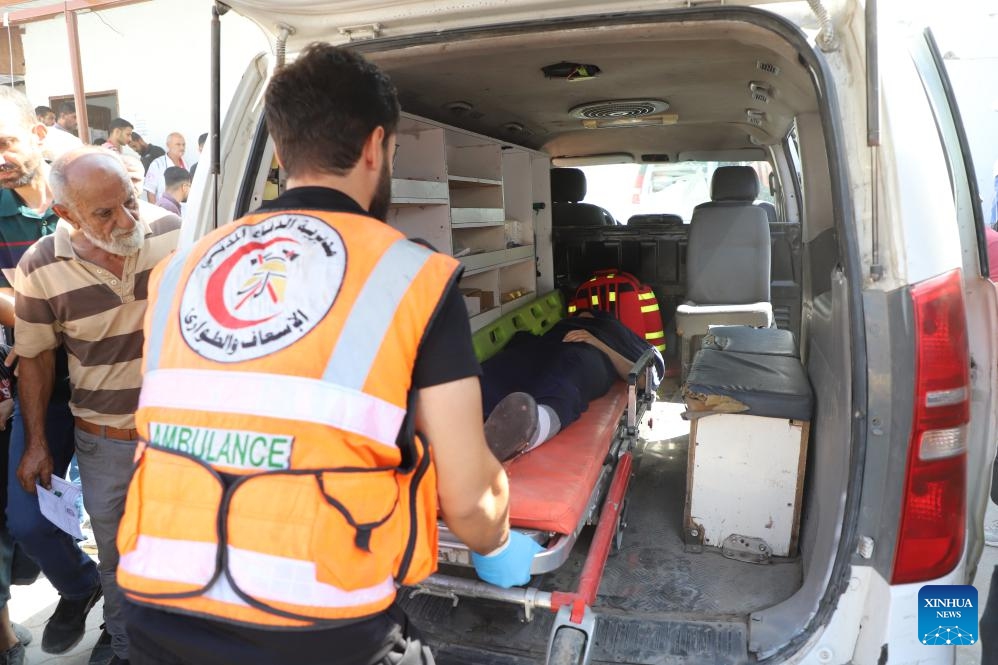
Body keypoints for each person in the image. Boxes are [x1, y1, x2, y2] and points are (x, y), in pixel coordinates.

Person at [117, 43, 538, 665]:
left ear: (281, 153)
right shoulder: (411, 275)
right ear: (377, 147)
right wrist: (498, 543)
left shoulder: (181, 270)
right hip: (320, 622)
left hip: (157, 606)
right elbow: (471, 504)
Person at [14, 146, 181, 665]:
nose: (127, 219)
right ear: (65, 214)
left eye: (129, 201)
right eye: (105, 213)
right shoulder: (39, 267)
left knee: (187, 550)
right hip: (105, 441)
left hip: (182, 437)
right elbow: (37, 358)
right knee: (118, 557)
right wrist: (38, 442)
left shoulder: (173, 232)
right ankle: (130, 650)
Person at [0, 87, 103, 665]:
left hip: (119, 382)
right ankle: (79, 584)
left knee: (125, 521)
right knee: (27, 519)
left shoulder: (92, 184)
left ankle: (123, 623)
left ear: (38, 134)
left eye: (6, 141)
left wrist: (33, 310)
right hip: (42, 385)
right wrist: (52, 317)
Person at [480, 309, 662, 461]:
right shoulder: (566, 322)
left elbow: (643, 378)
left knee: (568, 371)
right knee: (504, 365)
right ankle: (467, 413)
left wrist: (597, 343)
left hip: (591, 352)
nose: (583, 313)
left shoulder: (617, 332)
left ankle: (533, 428)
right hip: (545, 345)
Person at [142, 133, 185, 203]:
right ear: (168, 145)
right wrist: (157, 213)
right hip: (165, 211)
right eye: (178, 144)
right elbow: (150, 192)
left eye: (183, 145)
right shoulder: (157, 164)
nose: (182, 148)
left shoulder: (185, 164)